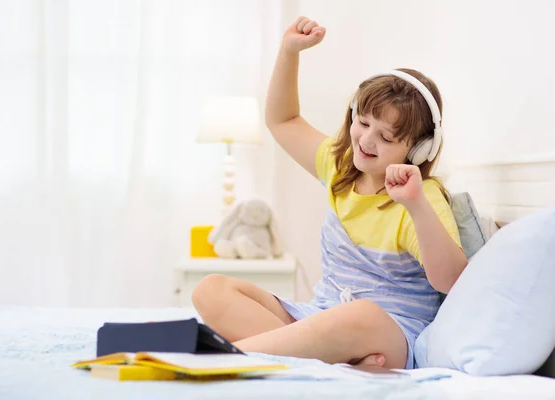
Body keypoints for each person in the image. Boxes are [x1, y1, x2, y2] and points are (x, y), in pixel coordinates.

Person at [191, 16, 467, 370]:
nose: (366, 141)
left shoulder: (421, 195)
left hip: (389, 330)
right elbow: (283, 120)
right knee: (210, 290)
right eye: (363, 122)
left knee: (361, 315)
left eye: (386, 137)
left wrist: (414, 205)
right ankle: (326, 357)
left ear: (418, 149)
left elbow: (452, 280)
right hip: (319, 315)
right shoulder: (340, 164)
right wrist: (290, 51)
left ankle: (223, 357)